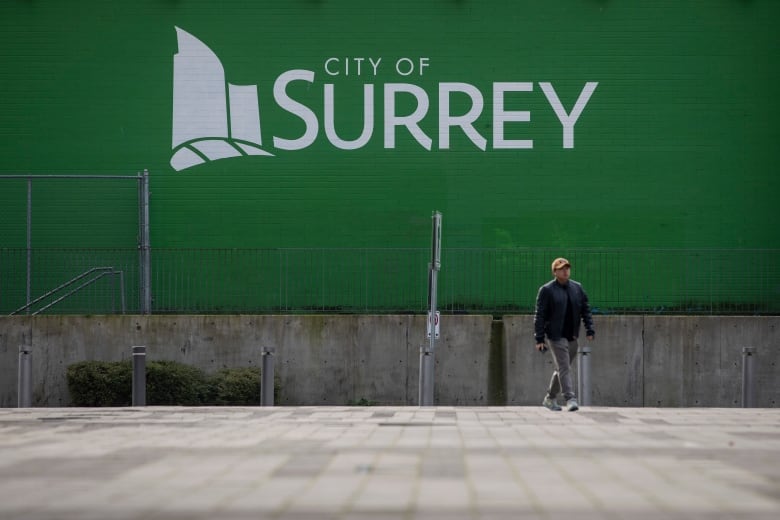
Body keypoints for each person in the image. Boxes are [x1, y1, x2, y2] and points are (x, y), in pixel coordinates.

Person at [534, 257, 594, 412]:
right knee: (564, 367)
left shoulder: (577, 288)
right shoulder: (546, 290)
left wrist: (589, 329)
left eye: (567, 268)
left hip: (572, 335)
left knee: (562, 368)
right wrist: (539, 338)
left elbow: (585, 309)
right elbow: (539, 315)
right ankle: (570, 398)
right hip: (555, 336)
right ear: (555, 272)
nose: (565, 271)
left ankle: (549, 398)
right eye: (561, 269)